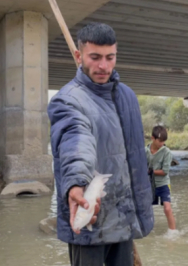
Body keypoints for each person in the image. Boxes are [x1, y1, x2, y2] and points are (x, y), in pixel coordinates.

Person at [47, 22, 154, 266]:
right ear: (79, 55)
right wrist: (76, 183)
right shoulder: (67, 100)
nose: (103, 66)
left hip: (125, 216)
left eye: (110, 57)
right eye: (94, 57)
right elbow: (75, 140)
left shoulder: (128, 96)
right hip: (89, 219)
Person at [145, 126, 176, 232]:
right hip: (149, 184)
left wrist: (151, 172)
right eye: (160, 141)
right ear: (152, 138)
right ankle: (146, 230)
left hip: (163, 183)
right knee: (145, 208)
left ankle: (172, 232)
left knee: (167, 209)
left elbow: (164, 171)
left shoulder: (166, 152)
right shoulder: (145, 151)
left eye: (164, 142)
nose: (162, 144)